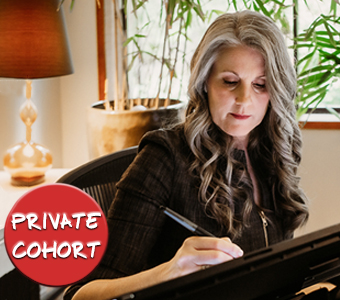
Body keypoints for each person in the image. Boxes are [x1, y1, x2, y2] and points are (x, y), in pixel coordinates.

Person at [66, 11, 308, 300]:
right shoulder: (165, 157)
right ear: (205, 81)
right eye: (230, 81)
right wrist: (170, 272)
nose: (245, 99)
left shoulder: (273, 149)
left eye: (260, 85)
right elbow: (80, 294)